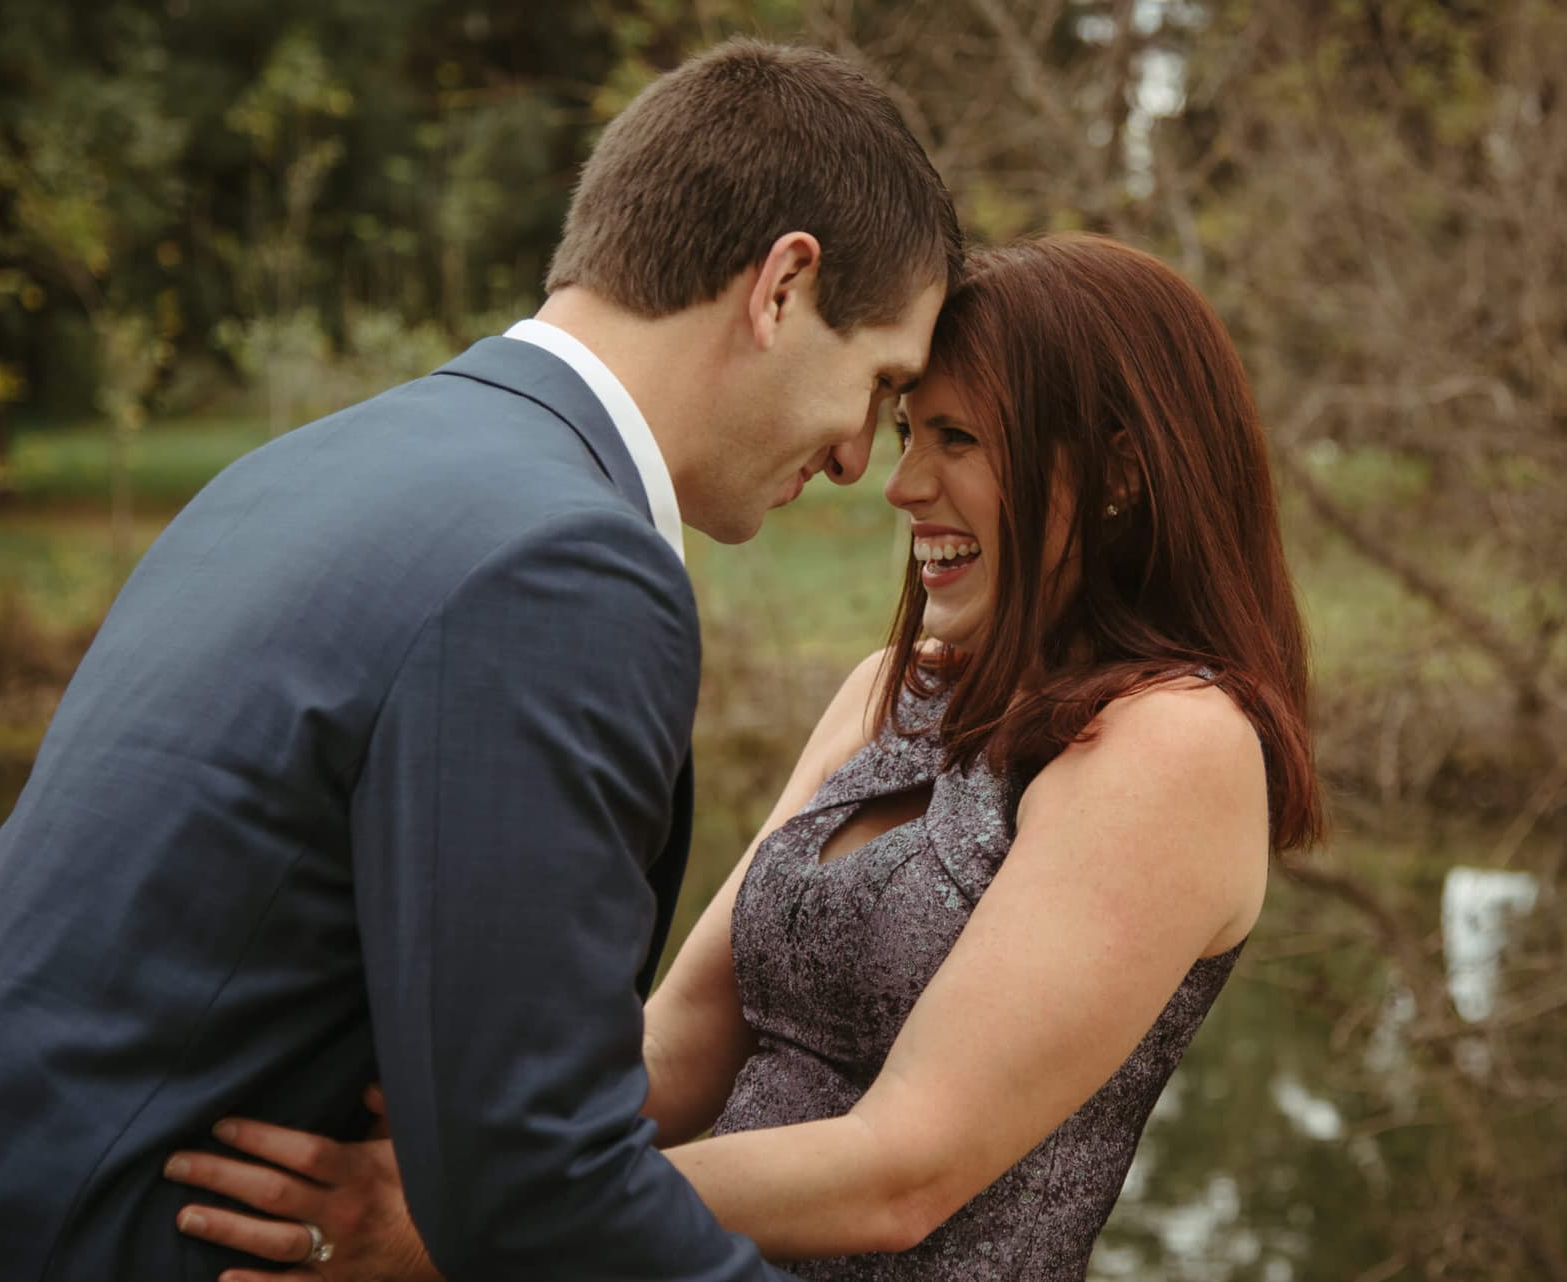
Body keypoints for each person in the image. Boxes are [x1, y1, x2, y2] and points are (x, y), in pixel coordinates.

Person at [0, 39, 959, 1282]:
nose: (858, 456)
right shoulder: (562, 562)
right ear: (783, 286)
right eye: (880, 379)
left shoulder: (315, 466)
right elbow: (533, 1178)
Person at [164, 233, 1326, 1280]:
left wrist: (483, 1213)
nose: (904, 482)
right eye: (911, 427)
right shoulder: (893, 692)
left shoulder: (1177, 743)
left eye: (959, 439)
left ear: (1119, 475)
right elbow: (674, 1047)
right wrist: (415, 1123)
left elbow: (900, 1174)